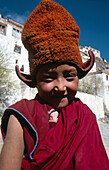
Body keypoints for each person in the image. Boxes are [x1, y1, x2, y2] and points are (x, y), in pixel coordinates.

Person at [0, 0, 109, 169]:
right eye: (49, 78)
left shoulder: (85, 117)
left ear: (79, 75)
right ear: (35, 81)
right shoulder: (21, 116)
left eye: (69, 77)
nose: (60, 86)